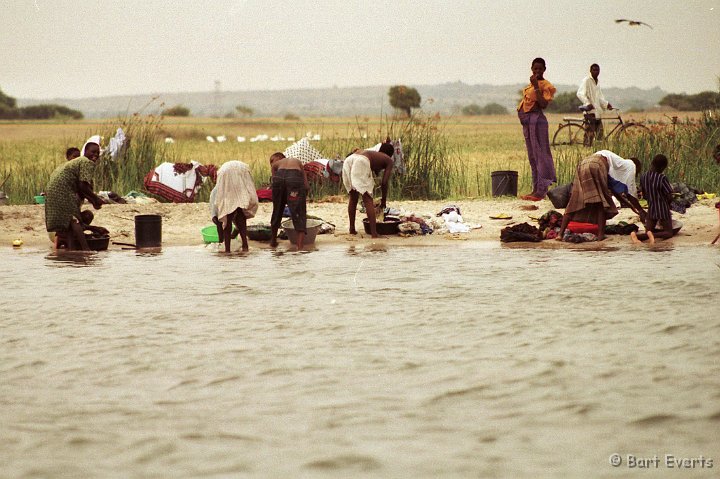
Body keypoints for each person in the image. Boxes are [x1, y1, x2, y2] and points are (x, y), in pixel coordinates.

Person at [45, 141, 104, 251]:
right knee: (74, 219)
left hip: (53, 191)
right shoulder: (86, 162)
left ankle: (72, 251)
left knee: (70, 222)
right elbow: (83, 186)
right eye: (93, 152)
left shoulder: (78, 162)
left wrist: (94, 200)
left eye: (98, 153)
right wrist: (96, 199)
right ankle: (85, 250)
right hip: (62, 190)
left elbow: (83, 188)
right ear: (85, 152)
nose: (95, 155)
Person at [517, 57, 557, 201]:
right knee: (533, 157)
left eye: (540, 69)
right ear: (532, 69)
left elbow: (543, 104)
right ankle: (535, 189)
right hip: (528, 123)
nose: (537, 71)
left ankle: (542, 191)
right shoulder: (530, 84)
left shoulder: (546, 85)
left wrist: (535, 86)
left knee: (541, 155)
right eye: (535, 68)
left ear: (544, 69)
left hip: (537, 121)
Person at [558, 152, 619, 241]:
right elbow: (613, 187)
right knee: (601, 204)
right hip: (597, 165)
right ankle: (601, 235)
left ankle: (560, 234)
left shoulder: (603, 156)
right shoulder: (613, 164)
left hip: (582, 164)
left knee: (574, 202)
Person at [342, 142, 394, 237]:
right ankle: (374, 233)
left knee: (353, 196)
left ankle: (352, 228)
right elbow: (384, 182)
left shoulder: (373, 153)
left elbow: (374, 168)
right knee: (367, 198)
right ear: (389, 154)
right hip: (360, 161)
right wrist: (384, 201)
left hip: (349, 160)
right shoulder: (389, 160)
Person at [210, 160, 258, 252]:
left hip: (228, 171)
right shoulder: (220, 187)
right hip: (242, 168)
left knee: (227, 213)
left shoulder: (216, 191)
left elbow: (218, 221)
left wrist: (221, 241)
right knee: (240, 213)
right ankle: (245, 246)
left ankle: (227, 250)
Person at [631, 154, 675, 243]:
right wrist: (669, 205)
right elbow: (669, 195)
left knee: (648, 231)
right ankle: (654, 235)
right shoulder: (662, 178)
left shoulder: (643, 177)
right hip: (662, 207)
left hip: (651, 208)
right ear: (663, 167)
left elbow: (645, 195)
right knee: (669, 232)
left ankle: (637, 236)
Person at [268, 152, 309, 249]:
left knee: (277, 210)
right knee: (300, 214)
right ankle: (300, 248)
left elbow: (274, 181)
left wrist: (281, 198)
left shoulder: (276, 165)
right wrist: (301, 201)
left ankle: (273, 242)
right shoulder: (297, 162)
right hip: (294, 178)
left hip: (279, 178)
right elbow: (306, 185)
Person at [597, 149, 646, 222]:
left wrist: (630, 206)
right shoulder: (631, 166)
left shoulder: (614, 170)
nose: (636, 174)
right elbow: (630, 194)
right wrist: (641, 210)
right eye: (638, 172)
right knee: (605, 204)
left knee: (596, 201)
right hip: (600, 161)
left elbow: (615, 193)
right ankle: (600, 232)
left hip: (588, 162)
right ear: (637, 167)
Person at [577, 64, 613, 145]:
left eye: (597, 70)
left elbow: (599, 97)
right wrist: (587, 103)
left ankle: (599, 150)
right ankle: (586, 150)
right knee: (589, 134)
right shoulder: (587, 80)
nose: (596, 72)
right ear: (590, 71)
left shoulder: (598, 82)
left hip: (597, 112)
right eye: (594, 70)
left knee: (600, 134)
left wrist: (606, 104)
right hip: (590, 112)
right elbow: (580, 93)